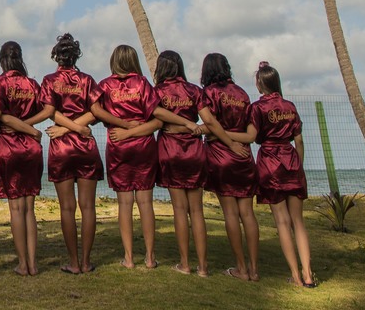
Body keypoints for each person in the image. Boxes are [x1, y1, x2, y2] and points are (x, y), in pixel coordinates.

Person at [89, 44, 162, 271]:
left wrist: (119, 125)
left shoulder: (106, 85)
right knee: (146, 203)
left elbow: (94, 110)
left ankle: (129, 258)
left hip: (119, 145)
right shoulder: (142, 84)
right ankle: (150, 258)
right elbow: (157, 121)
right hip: (144, 146)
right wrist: (132, 126)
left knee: (124, 204)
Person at [247, 61, 315, 288]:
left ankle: (295, 276)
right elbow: (299, 140)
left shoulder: (257, 108)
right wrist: (299, 165)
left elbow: (252, 135)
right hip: (291, 161)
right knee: (298, 222)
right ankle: (308, 274)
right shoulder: (290, 106)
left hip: (270, 162)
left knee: (282, 222)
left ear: (260, 84)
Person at [40, 33, 103, 274]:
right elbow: (95, 112)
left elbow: (50, 112)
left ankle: (74, 263)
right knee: (88, 207)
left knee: (67, 207)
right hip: (85, 145)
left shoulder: (49, 80)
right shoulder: (87, 80)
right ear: (76, 55)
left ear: (57, 56)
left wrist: (65, 127)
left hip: (62, 146)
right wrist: (78, 128)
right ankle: (86, 262)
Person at [0, 41, 49, 276]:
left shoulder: (0, 83)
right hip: (31, 147)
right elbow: (48, 110)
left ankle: (23, 263)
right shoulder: (32, 84)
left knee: (16, 209)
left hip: (8, 147)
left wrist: (21, 125)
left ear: (2, 61)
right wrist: (30, 126)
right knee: (29, 210)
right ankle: (33, 263)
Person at [198, 52, 259, 281]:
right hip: (244, 156)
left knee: (230, 214)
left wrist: (227, 141)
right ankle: (254, 269)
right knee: (248, 213)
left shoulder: (209, 93)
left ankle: (241, 268)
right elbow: (249, 128)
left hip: (221, 154)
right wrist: (237, 142)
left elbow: (210, 124)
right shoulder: (242, 94)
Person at [153, 50, 210, 277]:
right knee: (197, 210)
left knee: (179, 209)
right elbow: (210, 123)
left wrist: (178, 126)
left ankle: (185, 264)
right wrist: (191, 126)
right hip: (194, 150)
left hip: (170, 149)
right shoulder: (195, 91)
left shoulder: (158, 92)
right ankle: (203, 267)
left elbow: (155, 116)